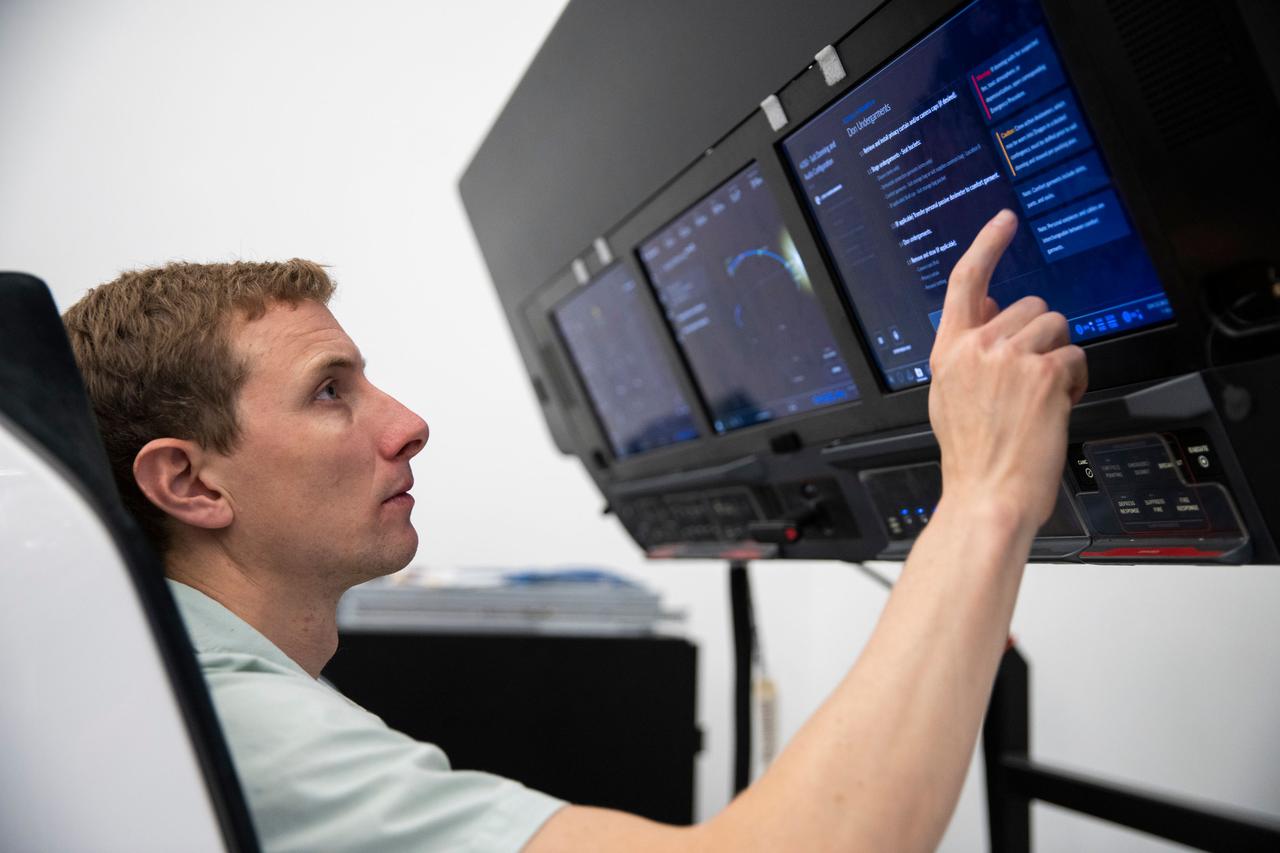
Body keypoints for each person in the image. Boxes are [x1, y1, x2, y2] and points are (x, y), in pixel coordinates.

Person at [63, 208, 1086, 852]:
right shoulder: (238, 729)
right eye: (330, 391)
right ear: (187, 482)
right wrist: (986, 490)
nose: (407, 422)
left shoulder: (175, 688)